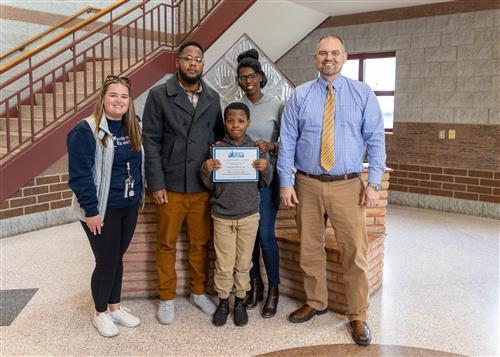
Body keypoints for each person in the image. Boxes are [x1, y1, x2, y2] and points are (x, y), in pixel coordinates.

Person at [277, 34, 386, 346]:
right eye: (323, 53)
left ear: (344, 56)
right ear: (315, 58)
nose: (328, 58)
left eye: (334, 53)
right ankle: (316, 301)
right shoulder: (299, 95)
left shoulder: (362, 94)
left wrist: (374, 183)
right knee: (310, 247)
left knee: (355, 252)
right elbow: (288, 142)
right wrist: (286, 182)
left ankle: (358, 314)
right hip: (307, 184)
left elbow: (377, 140)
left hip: (348, 185)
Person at [142, 40, 225, 325]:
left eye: (198, 59)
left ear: (203, 63)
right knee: (166, 244)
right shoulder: (159, 95)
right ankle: (166, 298)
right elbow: (150, 141)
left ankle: (198, 292)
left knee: (200, 244)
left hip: (202, 185)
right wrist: (156, 183)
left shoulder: (213, 97)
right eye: (187, 58)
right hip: (170, 185)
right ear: (177, 62)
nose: (193, 63)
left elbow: (218, 136)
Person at [67, 75, 144, 337]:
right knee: (106, 260)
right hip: (101, 209)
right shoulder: (85, 130)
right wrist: (91, 211)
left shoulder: (133, 127)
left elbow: (137, 165)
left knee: (116, 258)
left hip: (129, 204)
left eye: (124, 96)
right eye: (114, 95)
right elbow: (80, 175)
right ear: (102, 98)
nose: (119, 100)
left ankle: (115, 307)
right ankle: (100, 313)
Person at [200, 102, 272, 327]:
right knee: (223, 263)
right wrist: (206, 169)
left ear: (248, 122)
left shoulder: (255, 149)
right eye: (230, 121)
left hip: (249, 215)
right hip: (222, 215)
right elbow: (210, 185)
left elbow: (265, 181)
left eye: (241, 121)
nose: (235, 125)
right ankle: (223, 301)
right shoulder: (217, 148)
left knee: (243, 263)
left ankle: (240, 300)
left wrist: (265, 168)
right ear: (225, 122)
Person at [235, 49, 284, 318]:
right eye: (242, 77)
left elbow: (289, 142)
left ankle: (274, 289)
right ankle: (255, 285)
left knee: (265, 234)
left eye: (252, 75)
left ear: (261, 77)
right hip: (241, 184)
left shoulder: (277, 105)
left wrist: (271, 145)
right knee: (248, 237)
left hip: (267, 181)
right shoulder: (235, 108)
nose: (248, 81)